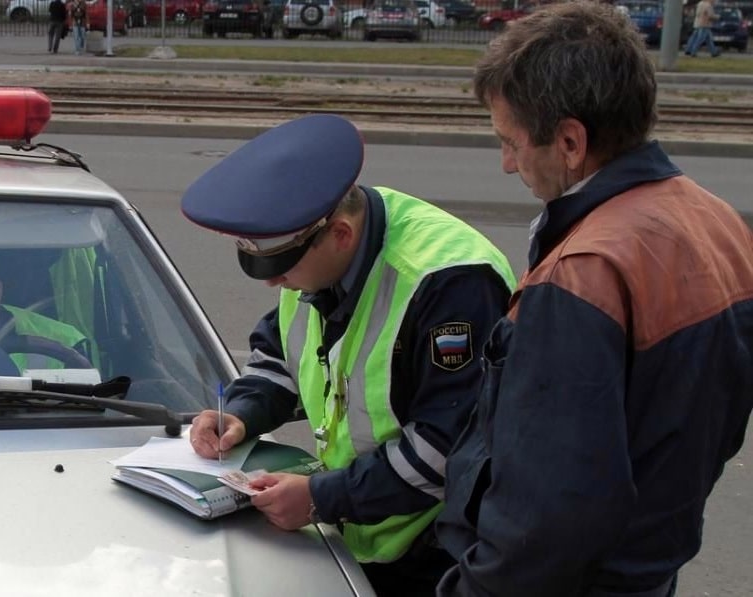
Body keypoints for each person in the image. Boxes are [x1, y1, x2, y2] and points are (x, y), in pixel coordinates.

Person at [434, 3, 753, 596]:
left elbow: (547, 510)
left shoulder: (583, 273)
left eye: (511, 142)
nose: (507, 164)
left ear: (571, 141)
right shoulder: (716, 220)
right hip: (649, 564)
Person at [180, 114, 517, 597]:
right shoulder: (310, 250)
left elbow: (448, 446)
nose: (274, 282)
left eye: (281, 267)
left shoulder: (450, 283)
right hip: (358, 533)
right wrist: (240, 412)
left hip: (438, 551)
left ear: (340, 234)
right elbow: (282, 354)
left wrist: (321, 498)